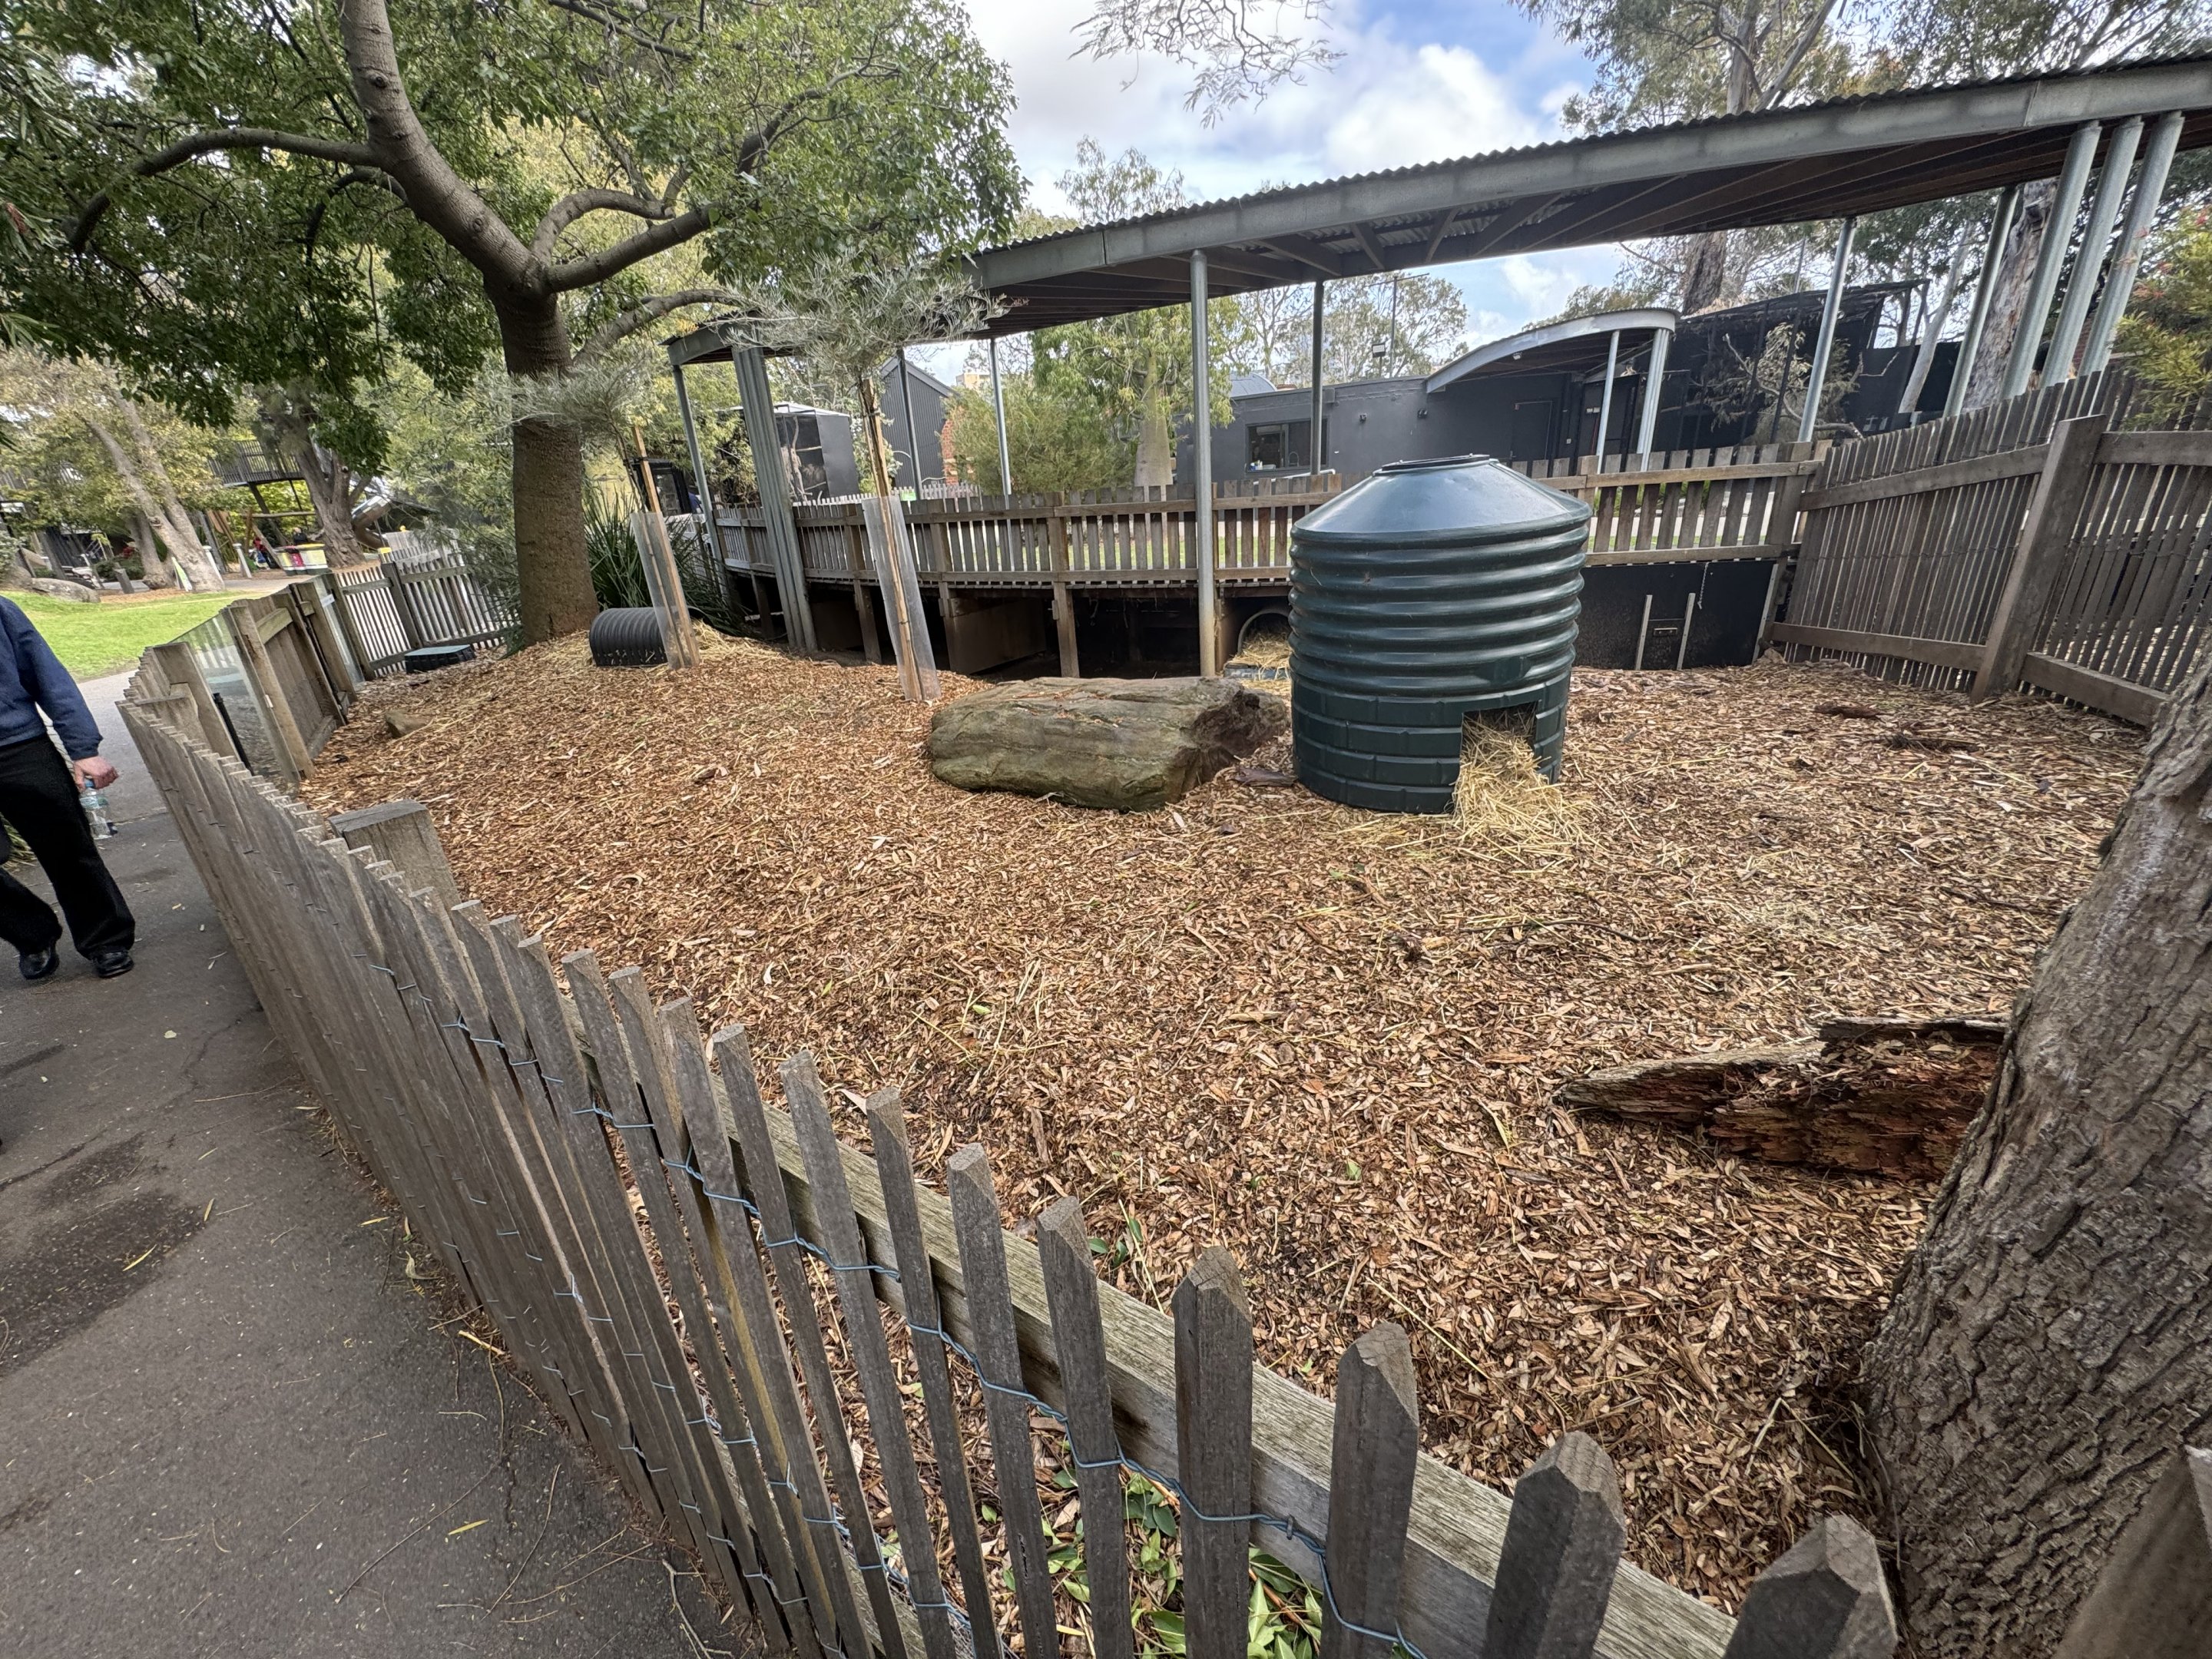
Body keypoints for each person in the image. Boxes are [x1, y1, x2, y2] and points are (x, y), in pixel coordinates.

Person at [0, 594, 134, 980]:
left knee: (68, 851)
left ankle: (105, 939)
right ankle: (32, 934)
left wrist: (83, 747)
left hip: (18, 747)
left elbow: (46, 673)